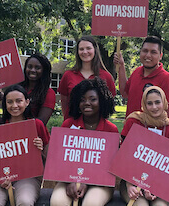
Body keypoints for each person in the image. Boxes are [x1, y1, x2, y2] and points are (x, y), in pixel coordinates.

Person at [50, 77, 118, 206]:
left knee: (91, 204)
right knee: (57, 202)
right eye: (82, 100)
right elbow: (59, 159)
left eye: (92, 99)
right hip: (68, 180)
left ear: (102, 101)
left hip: (100, 183)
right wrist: (70, 181)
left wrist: (86, 182)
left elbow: (110, 167)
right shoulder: (68, 125)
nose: (87, 103)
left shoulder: (110, 130)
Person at [0, 84, 49, 206]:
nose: (14, 106)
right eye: (10, 102)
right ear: (5, 104)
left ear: (27, 102)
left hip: (28, 178)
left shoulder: (36, 125)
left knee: (25, 201)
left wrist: (41, 149)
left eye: (19, 101)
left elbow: (49, 158)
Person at [120, 86, 169, 206]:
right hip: (130, 181)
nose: (154, 107)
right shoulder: (134, 121)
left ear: (164, 102)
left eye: (157, 102)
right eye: (149, 103)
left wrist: (154, 185)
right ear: (144, 104)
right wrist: (129, 184)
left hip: (160, 183)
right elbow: (122, 155)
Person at [114, 36, 169, 117]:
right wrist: (121, 66)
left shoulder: (168, 79)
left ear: (160, 56)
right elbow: (124, 93)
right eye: (145, 51)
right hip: (130, 127)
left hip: (151, 129)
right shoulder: (136, 72)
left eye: (153, 52)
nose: (148, 55)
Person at [58, 35, 116, 119]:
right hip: (73, 126)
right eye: (81, 49)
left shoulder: (106, 76)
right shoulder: (68, 75)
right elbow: (65, 104)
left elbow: (108, 104)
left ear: (95, 50)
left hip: (97, 126)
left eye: (88, 48)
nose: (85, 52)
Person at [0, 53, 56, 125]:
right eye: (29, 67)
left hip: (33, 133)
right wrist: (5, 99)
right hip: (12, 131)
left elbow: (42, 121)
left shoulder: (48, 93)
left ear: (44, 70)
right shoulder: (17, 88)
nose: (33, 70)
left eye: (37, 68)